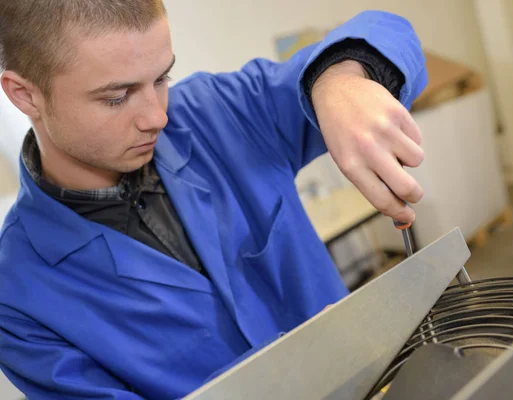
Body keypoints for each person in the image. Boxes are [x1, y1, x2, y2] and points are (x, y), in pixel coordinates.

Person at [0, 1, 428, 398]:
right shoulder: (17, 299)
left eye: (161, 78)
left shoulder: (218, 113)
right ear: (24, 94)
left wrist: (338, 80)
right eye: (117, 97)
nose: (157, 117)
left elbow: (387, 30)